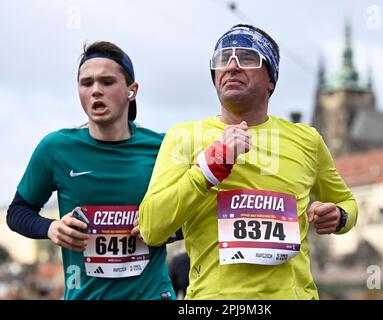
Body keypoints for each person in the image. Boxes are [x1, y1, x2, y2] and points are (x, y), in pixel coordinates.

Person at [139, 24, 357, 299]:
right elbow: (151, 228)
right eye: (222, 59)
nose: (231, 65)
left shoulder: (307, 140)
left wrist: (340, 217)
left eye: (247, 57)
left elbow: (347, 202)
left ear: (271, 80)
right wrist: (206, 171)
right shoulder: (184, 136)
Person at [7, 41, 175, 300]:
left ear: (132, 91)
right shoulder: (56, 148)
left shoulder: (163, 147)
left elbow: (198, 214)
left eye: (107, 82)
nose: (96, 90)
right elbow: (17, 212)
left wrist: (164, 228)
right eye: (87, 83)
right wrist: (52, 229)